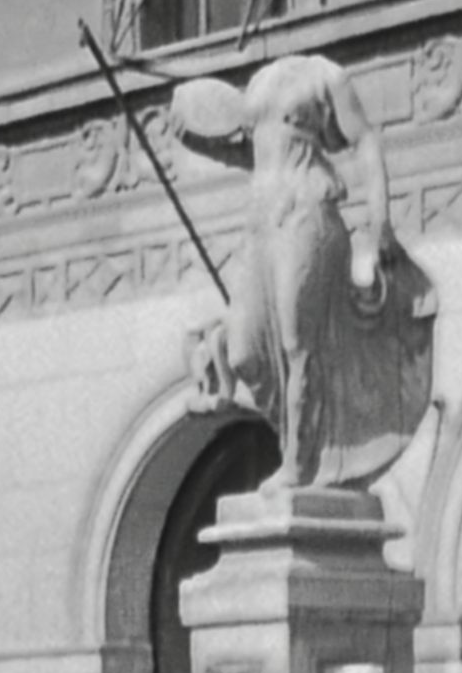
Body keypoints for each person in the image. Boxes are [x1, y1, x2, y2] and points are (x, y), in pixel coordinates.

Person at [171, 54, 436, 491]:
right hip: (262, 220)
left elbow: (366, 141)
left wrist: (380, 218)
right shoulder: (257, 83)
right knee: (244, 353)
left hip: (309, 213)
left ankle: (298, 462)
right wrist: (198, 134)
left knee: (299, 345)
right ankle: (307, 442)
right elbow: (250, 152)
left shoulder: (327, 74)